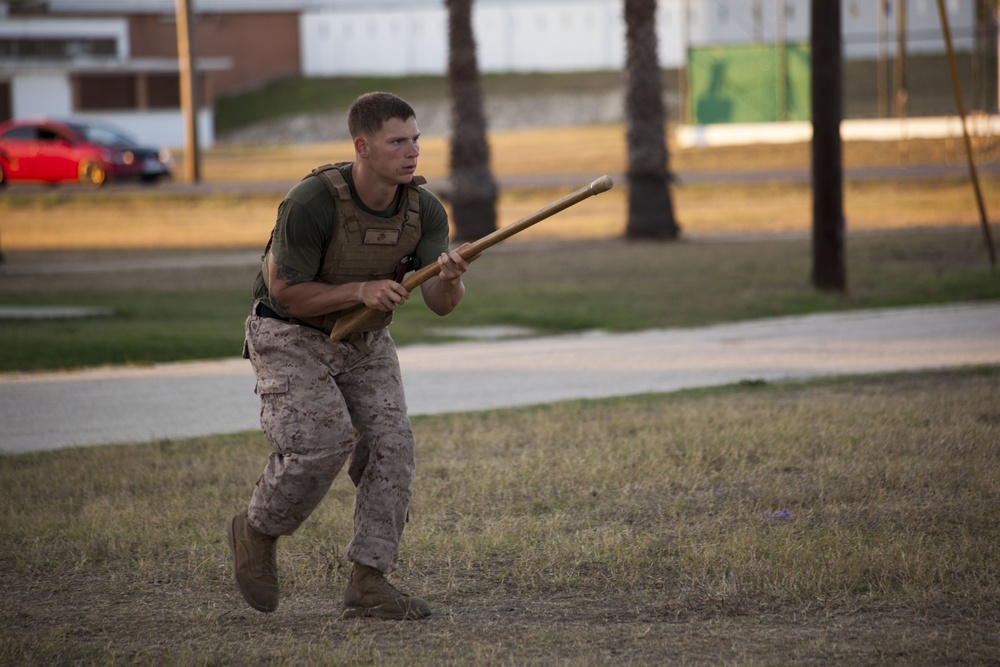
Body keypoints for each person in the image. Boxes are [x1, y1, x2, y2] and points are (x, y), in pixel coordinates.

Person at [228, 92, 474, 620]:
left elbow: (440, 305)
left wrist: (450, 280)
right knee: (323, 442)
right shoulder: (310, 202)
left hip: (366, 341)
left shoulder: (424, 210)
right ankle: (256, 530)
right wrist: (362, 289)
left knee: (392, 445)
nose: (411, 153)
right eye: (397, 142)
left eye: (415, 140)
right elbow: (288, 291)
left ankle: (369, 580)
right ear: (362, 146)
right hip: (290, 335)